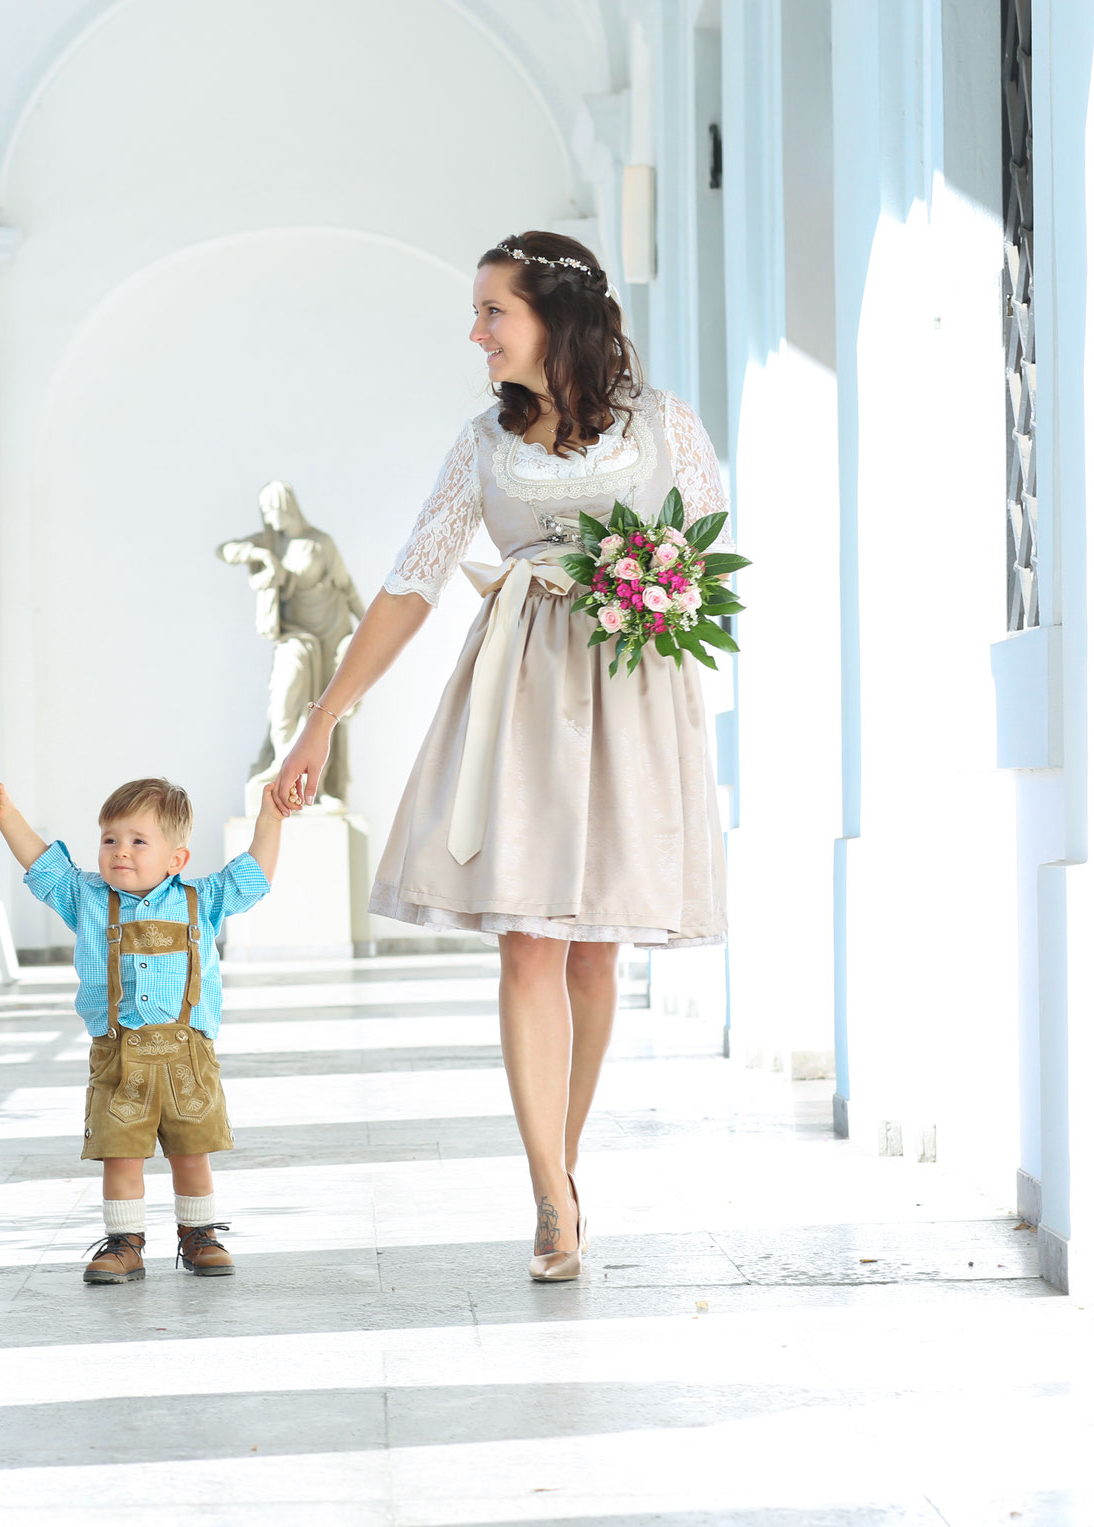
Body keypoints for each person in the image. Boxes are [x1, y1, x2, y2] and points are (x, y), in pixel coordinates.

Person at [275, 230, 728, 1282]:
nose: (474, 333)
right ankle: (547, 1197)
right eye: (477, 313)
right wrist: (323, 717)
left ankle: (560, 1171)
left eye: (492, 312)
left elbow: (702, 556)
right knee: (526, 940)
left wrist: (648, 580)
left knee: (594, 949)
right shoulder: (481, 444)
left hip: (631, 690)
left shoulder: (665, 427)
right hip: (519, 690)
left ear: (551, 321)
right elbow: (407, 583)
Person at [0, 776, 288, 1282]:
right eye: (109, 839)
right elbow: (40, 863)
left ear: (176, 859)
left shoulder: (201, 899)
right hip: (118, 1056)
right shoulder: (86, 897)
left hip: (190, 1058)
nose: (120, 851)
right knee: (120, 1156)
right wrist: (5, 811)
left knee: (192, 1152)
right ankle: (125, 1244)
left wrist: (270, 817)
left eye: (138, 841)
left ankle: (199, 1234)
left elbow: (252, 876)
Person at [217, 481, 368, 806]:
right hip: (297, 636)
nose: (270, 520)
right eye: (264, 513)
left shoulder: (320, 543)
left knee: (333, 710)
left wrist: (368, 626)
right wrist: (259, 554)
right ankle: (283, 767)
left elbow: (346, 587)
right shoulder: (272, 543)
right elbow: (225, 550)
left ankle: (322, 790)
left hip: (331, 630)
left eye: (273, 511)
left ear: (287, 506)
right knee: (289, 696)